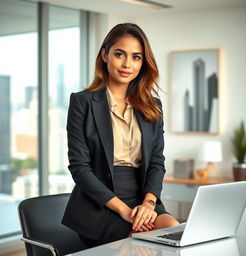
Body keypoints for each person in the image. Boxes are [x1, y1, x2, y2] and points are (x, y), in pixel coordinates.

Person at [62, 23, 179, 248]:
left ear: (143, 62)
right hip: (101, 204)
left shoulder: (152, 106)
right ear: (105, 55)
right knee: (141, 246)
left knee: (173, 230)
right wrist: (125, 211)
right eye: (119, 54)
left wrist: (149, 204)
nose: (127, 64)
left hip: (142, 199)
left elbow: (156, 162)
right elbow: (80, 168)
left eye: (136, 57)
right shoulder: (83, 102)